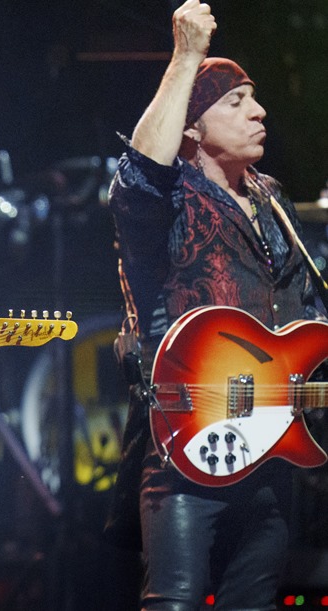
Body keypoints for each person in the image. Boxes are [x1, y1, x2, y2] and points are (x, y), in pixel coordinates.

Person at [106, 0, 327, 609]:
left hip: (271, 449)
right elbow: (138, 175)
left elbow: (305, 313)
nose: (258, 111)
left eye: (254, 99)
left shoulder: (272, 200)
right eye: (235, 101)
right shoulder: (170, 196)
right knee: (174, 601)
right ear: (191, 129)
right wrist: (186, 56)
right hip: (188, 444)